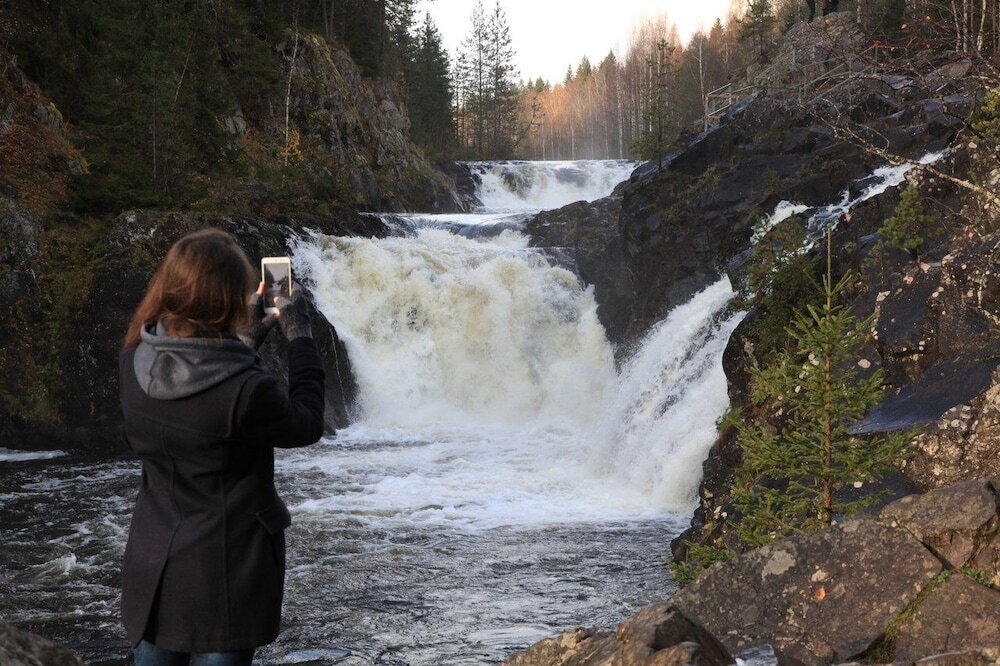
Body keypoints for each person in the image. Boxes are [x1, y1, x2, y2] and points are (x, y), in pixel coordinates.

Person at [118, 228, 326, 666]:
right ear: (229, 298)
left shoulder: (134, 360)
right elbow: (306, 423)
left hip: (154, 566)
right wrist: (301, 335)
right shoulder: (247, 391)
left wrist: (245, 340)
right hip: (226, 575)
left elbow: (195, 380)